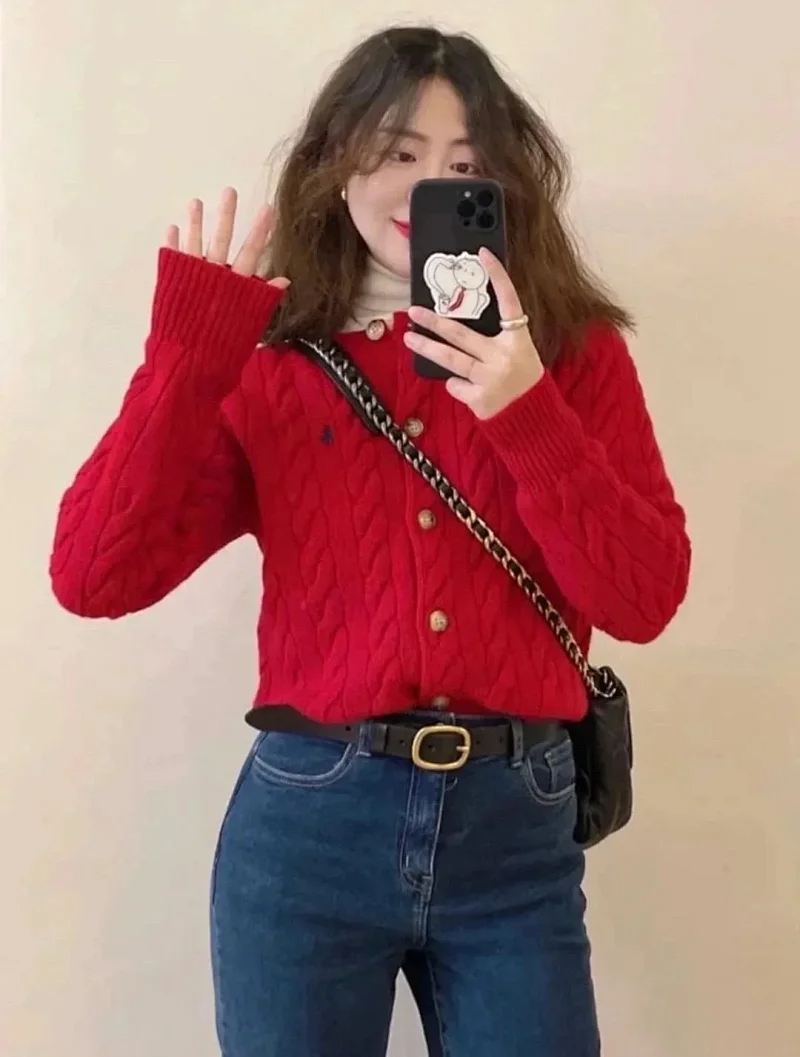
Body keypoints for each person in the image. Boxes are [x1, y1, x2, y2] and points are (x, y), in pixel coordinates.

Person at [49, 24, 691, 1057]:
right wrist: (185, 357)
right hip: (309, 826)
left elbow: (644, 598)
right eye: (397, 151)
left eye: (465, 165)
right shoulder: (274, 360)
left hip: (514, 833)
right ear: (338, 164)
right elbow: (93, 575)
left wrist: (525, 408)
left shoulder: (571, 354)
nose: (428, 184)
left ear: (504, 186)